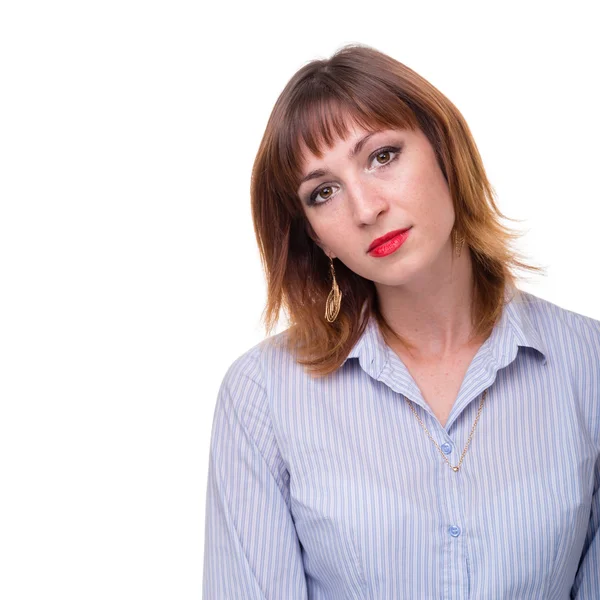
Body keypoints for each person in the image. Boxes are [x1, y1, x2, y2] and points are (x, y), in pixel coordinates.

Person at [202, 44, 600, 599]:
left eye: (382, 156)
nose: (365, 208)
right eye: (323, 192)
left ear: (443, 149)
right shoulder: (262, 396)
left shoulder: (588, 364)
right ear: (315, 237)